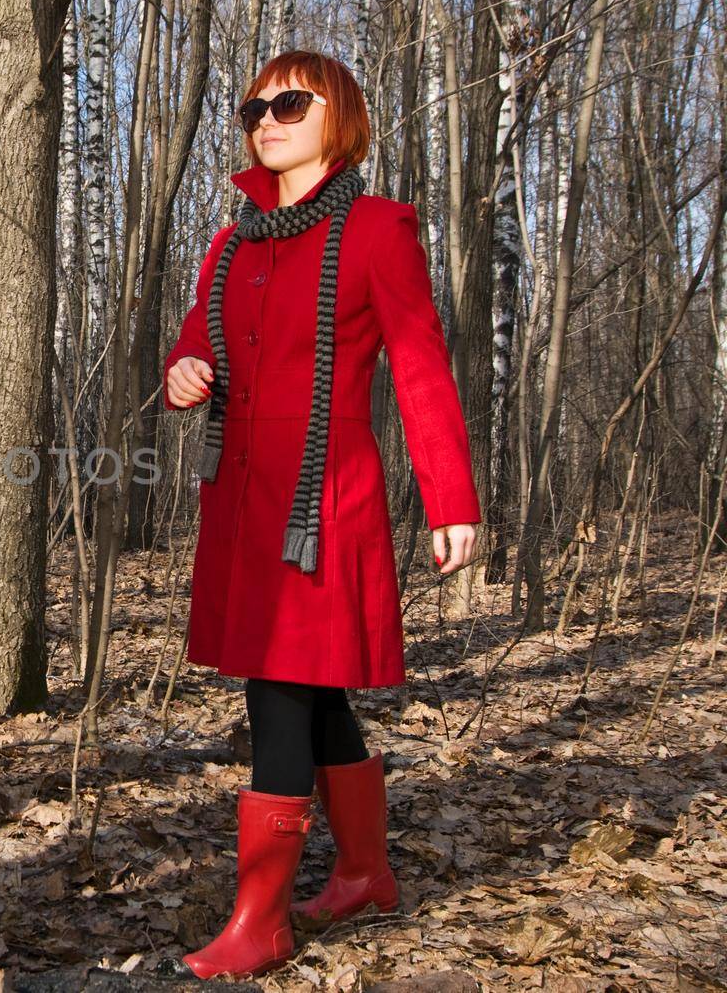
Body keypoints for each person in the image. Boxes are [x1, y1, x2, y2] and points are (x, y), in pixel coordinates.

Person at [161, 50, 481, 980]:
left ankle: (260, 922)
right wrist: (186, 374)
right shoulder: (230, 243)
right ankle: (366, 870)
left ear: (336, 115)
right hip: (239, 507)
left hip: (322, 506)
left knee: (277, 689)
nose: (266, 117)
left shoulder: (379, 229)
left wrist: (450, 498)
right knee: (313, 686)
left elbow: (420, 364)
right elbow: (196, 343)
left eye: (289, 102)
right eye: (252, 104)